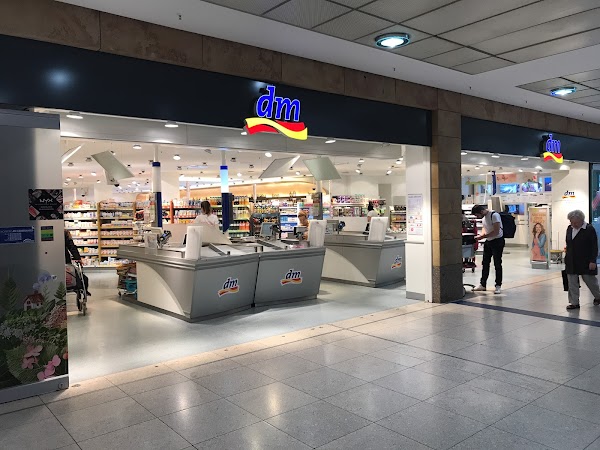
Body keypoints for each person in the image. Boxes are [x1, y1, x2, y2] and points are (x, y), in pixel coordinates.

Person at [564, 209, 600, 310]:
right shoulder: (569, 228)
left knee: (590, 281)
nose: (573, 224)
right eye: (571, 222)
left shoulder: (589, 229)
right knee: (572, 283)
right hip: (571, 260)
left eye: (575, 222)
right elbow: (568, 243)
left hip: (586, 261)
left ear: (581, 220)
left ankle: (598, 296)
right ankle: (574, 303)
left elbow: (594, 246)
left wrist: (593, 261)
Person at [471, 205, 504, 294]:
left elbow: (496, 231)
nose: (477, 217)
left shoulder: (494, 215)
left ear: (481, 212)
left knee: (497, 263)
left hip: (497, 241)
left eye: (477, 215)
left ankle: (498, 285)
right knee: (485, 263)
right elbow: (484, 228)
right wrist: (481, 235)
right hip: (488, 241)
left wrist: (482, 237)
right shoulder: (484, 218)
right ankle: (483, 284)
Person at [64, 230, 91, 297]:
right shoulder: (64, 232)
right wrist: (78, 258)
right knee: (80, 277)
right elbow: (71, 246)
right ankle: (82, 290)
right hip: (65, 261)